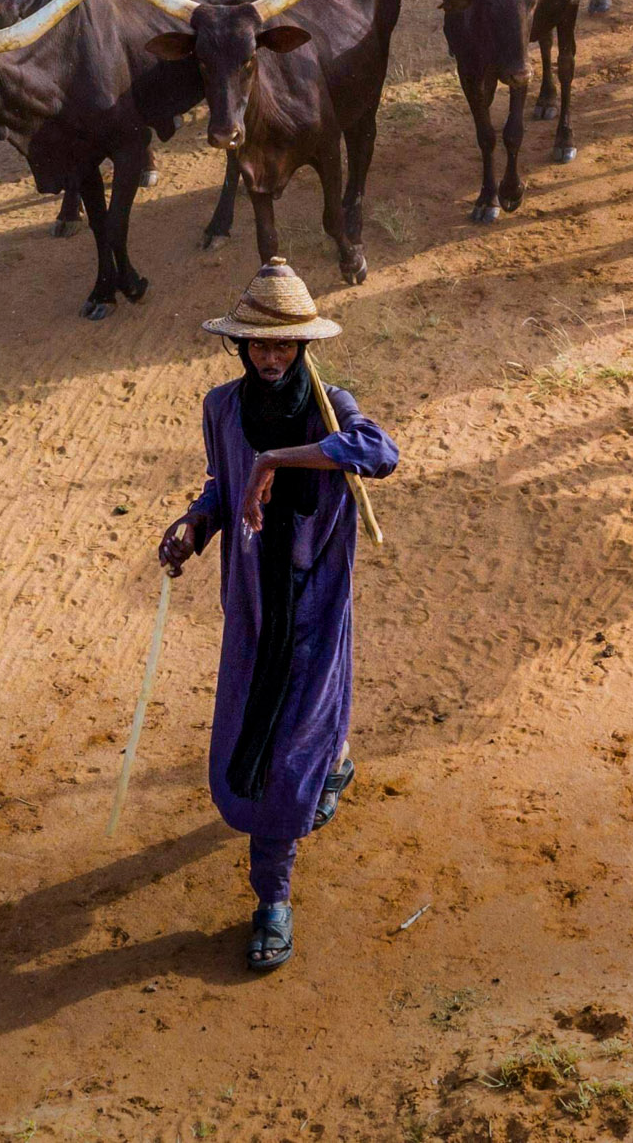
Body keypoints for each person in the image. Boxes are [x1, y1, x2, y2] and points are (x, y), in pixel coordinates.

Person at [158, 259, 399, 973]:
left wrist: (278, 461)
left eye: (283, 345)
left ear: (304, 348)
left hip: (316, 599)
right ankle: (336, 758)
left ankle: (273, 899)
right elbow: (218, 485)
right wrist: (194, 529)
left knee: (285, 761)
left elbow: (379, 453)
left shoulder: (334, 407)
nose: (271, 357)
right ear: (241, 346)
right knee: (257, 738)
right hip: (254, 604)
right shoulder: (221, 408)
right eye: (259, 344)